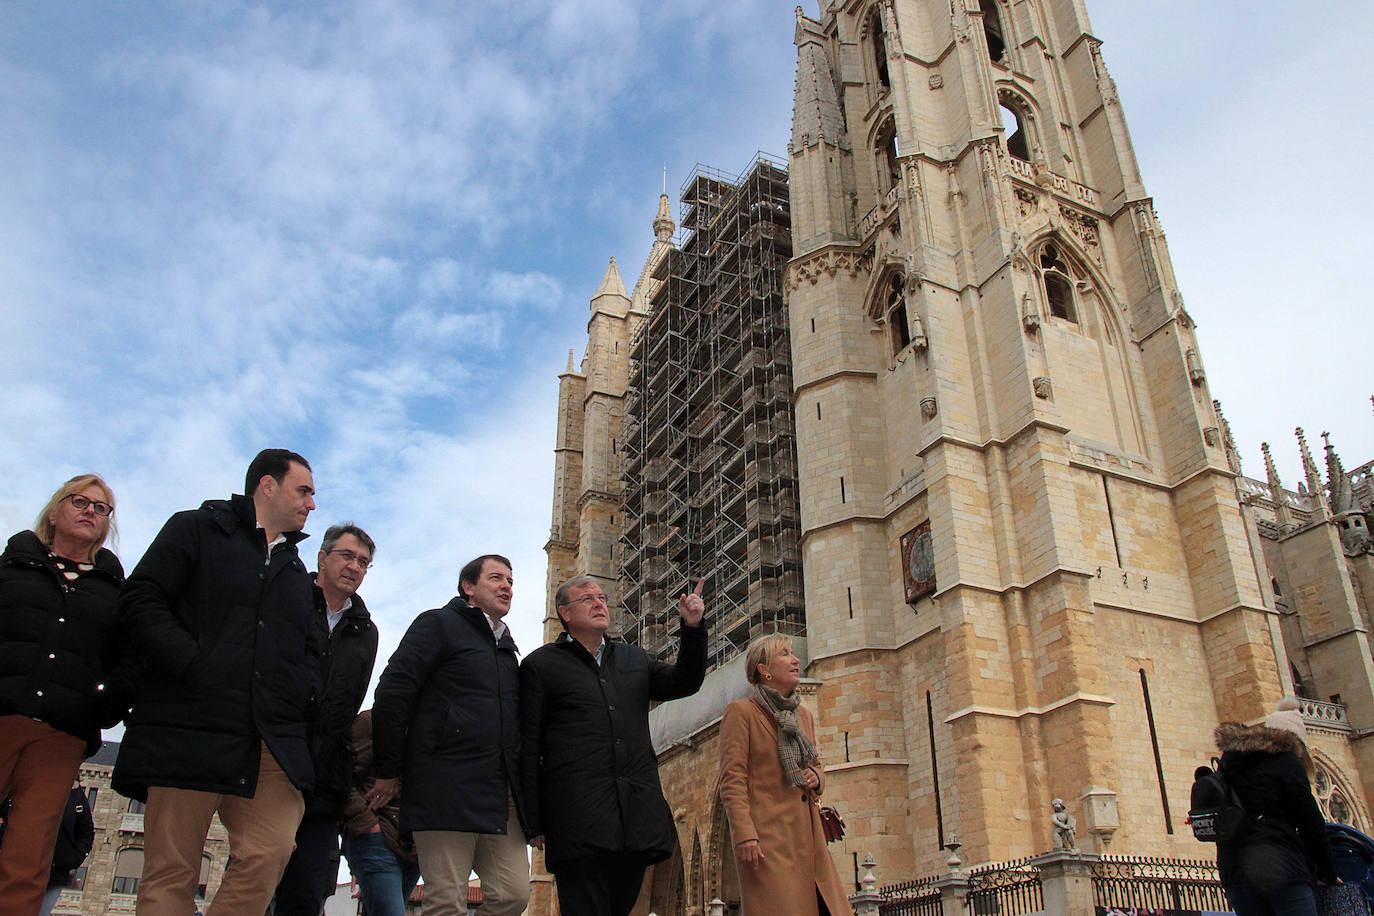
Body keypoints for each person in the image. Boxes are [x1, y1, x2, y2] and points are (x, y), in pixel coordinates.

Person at [114, 449, 319, 916]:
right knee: (171, 873)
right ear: (267, 485)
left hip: (267, 740)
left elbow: (309, 650)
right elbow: (142, 599)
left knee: (272, 850)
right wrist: (192, 662)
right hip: (188, 727)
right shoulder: (195, 529)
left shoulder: (294, 572)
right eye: (304, 490)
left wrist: (297, 691)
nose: (312, 504)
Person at [520, 574, 708, 916]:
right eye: (587, 599)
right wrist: (533, 821)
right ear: (565, 613)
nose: (599, 603)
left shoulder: (633, 659)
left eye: (602, 597)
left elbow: (685, 681)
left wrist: (693, 628)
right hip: (577, 818)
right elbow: (529, 745)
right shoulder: (541, 665)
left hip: (632, 819)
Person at [0, 474, 138, 916]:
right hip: (2, 717)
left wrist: (102, 708)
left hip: (61, 734)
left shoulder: (115, 591)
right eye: (80, 501)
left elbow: (129, 661)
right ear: (55, 511)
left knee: (29, 853)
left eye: (101, 508)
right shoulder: (12, 569)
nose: (90, 511)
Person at [370, 554, 528, 916]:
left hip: (498, 792)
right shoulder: (438, 624)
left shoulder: (507, 647)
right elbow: (394, 692)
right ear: (468, 588)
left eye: (510, 580)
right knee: (446, 900)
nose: (507, 586)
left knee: (513, 894)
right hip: (445, 783)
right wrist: (389, 769)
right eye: (496, 578)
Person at [273, 523, 380, 916]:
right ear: (322, 558)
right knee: (258, 872)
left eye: (364, 562)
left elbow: (347, 706)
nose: (355, 567)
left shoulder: (365, 631)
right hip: (274, 763)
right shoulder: (285, 601)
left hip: (324, 779)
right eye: (347, 556)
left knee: (310, 889)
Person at [717, 634, 852, 916]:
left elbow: (815, 762)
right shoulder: (741, 713)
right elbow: (732, 781)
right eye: (785, 654)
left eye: (793, 654)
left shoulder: (802, 715)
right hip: (768, 844)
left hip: (809, 839)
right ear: (763, 670)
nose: (796, 660)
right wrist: (745, 836)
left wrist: (817, 776)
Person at [1215, 696, 1338, 916]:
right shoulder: (1286, 762)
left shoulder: (1228, 763)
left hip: (1235, 873)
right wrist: (1327, 873)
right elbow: (1311, 823)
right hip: (1283, 871)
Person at [342, 709, 420, 916]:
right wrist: (366, 823)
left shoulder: (432, 724)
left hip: (415, 846)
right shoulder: (372, 721)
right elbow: (341, 774)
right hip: (376, 837)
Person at [39, 782, 94, 916]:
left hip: (56, 874)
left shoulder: (77, 796)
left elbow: (86, 833)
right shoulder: (37, 783)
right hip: (24, 868)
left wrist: (72, 860)